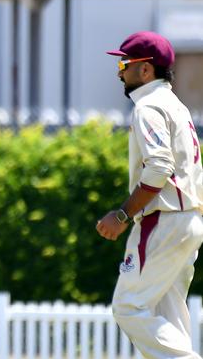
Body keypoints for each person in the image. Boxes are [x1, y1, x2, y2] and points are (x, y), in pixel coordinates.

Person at [97, 31, 203, 358]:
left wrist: (122, 215)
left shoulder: (149, 106)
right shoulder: (177, 106)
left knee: (128, 307)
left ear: (146, 70)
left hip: (162, 222)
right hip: (188, 221)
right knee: (166, 315)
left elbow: (158, 169)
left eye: (124, 64)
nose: (119, 72)